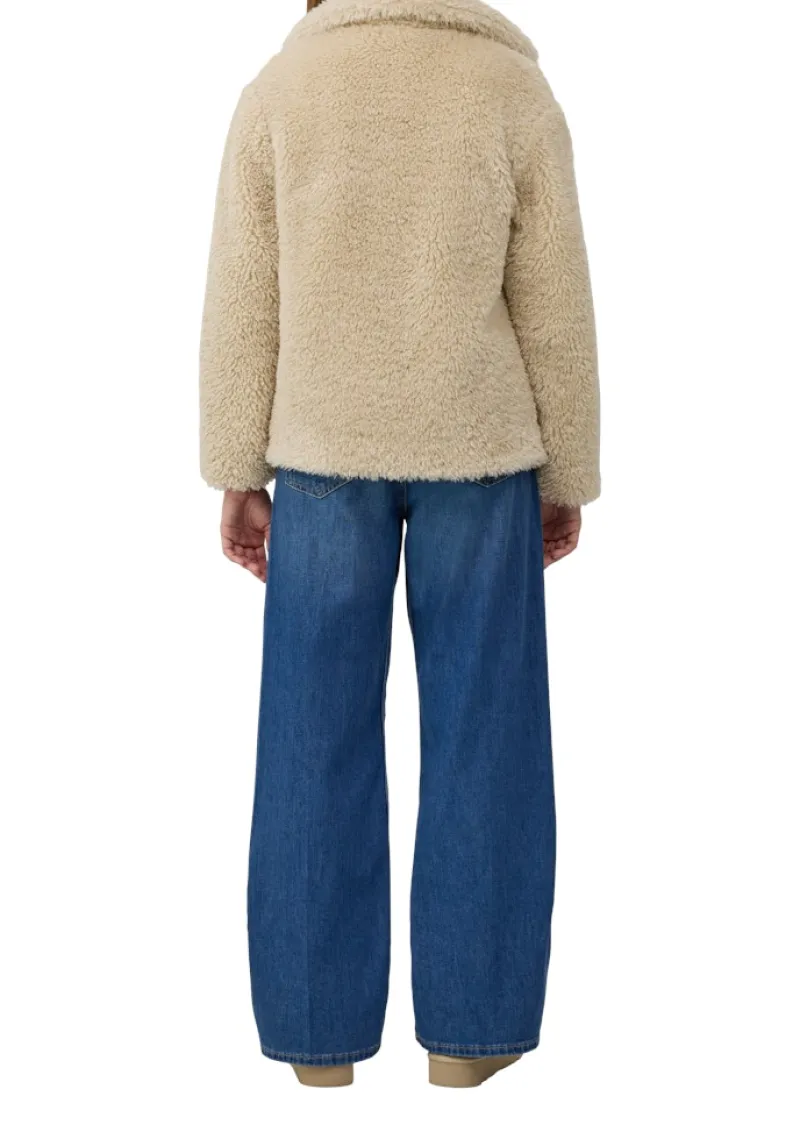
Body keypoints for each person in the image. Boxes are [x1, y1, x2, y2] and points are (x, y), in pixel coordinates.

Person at [199, 0, 600, 1089]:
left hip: (323, 452)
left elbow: (244, 295)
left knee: (309, 740)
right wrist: (567, 472)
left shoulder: (282, 93)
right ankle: (472, 1039)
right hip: (480, 452)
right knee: (488, 738)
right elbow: (554, 304)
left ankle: (315, 1047)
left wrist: (237, 466)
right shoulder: (509, 88)